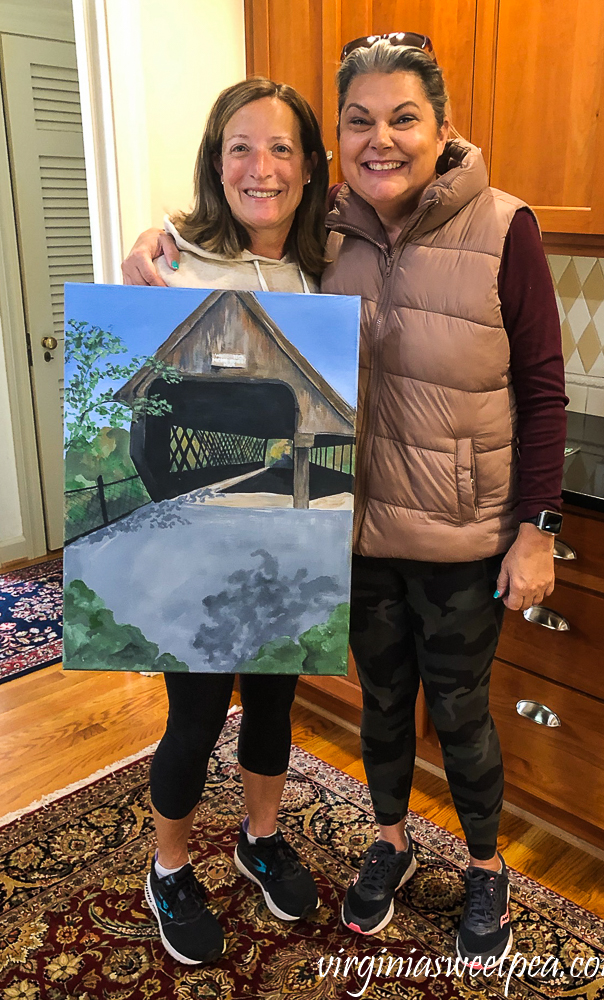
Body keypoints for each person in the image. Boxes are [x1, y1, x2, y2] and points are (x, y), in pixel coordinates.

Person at [124, 36, 567, 972]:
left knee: (389, 712)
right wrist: (149, 241)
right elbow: (141, 394)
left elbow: (540, 383)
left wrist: (538, 527)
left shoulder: (425, 231)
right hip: (263, 539)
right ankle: (188, 867)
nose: (380, 139)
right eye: (358, 121)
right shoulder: (241, 251)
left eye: (402, 117)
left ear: (440, 126)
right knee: (224, 717)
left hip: (384, 537)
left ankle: (309, 843)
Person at [122, 77, 329, 966]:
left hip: (289, 536)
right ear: (215, 160)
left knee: (275, 703)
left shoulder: (322, 267)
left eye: (282, 148)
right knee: (195, 714)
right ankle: (167, 868)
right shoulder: (171, 262)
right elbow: (145, 427)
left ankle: (258, 836)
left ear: (308, 166)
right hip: (197, 545)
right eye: (241, 146)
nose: (262, 167)